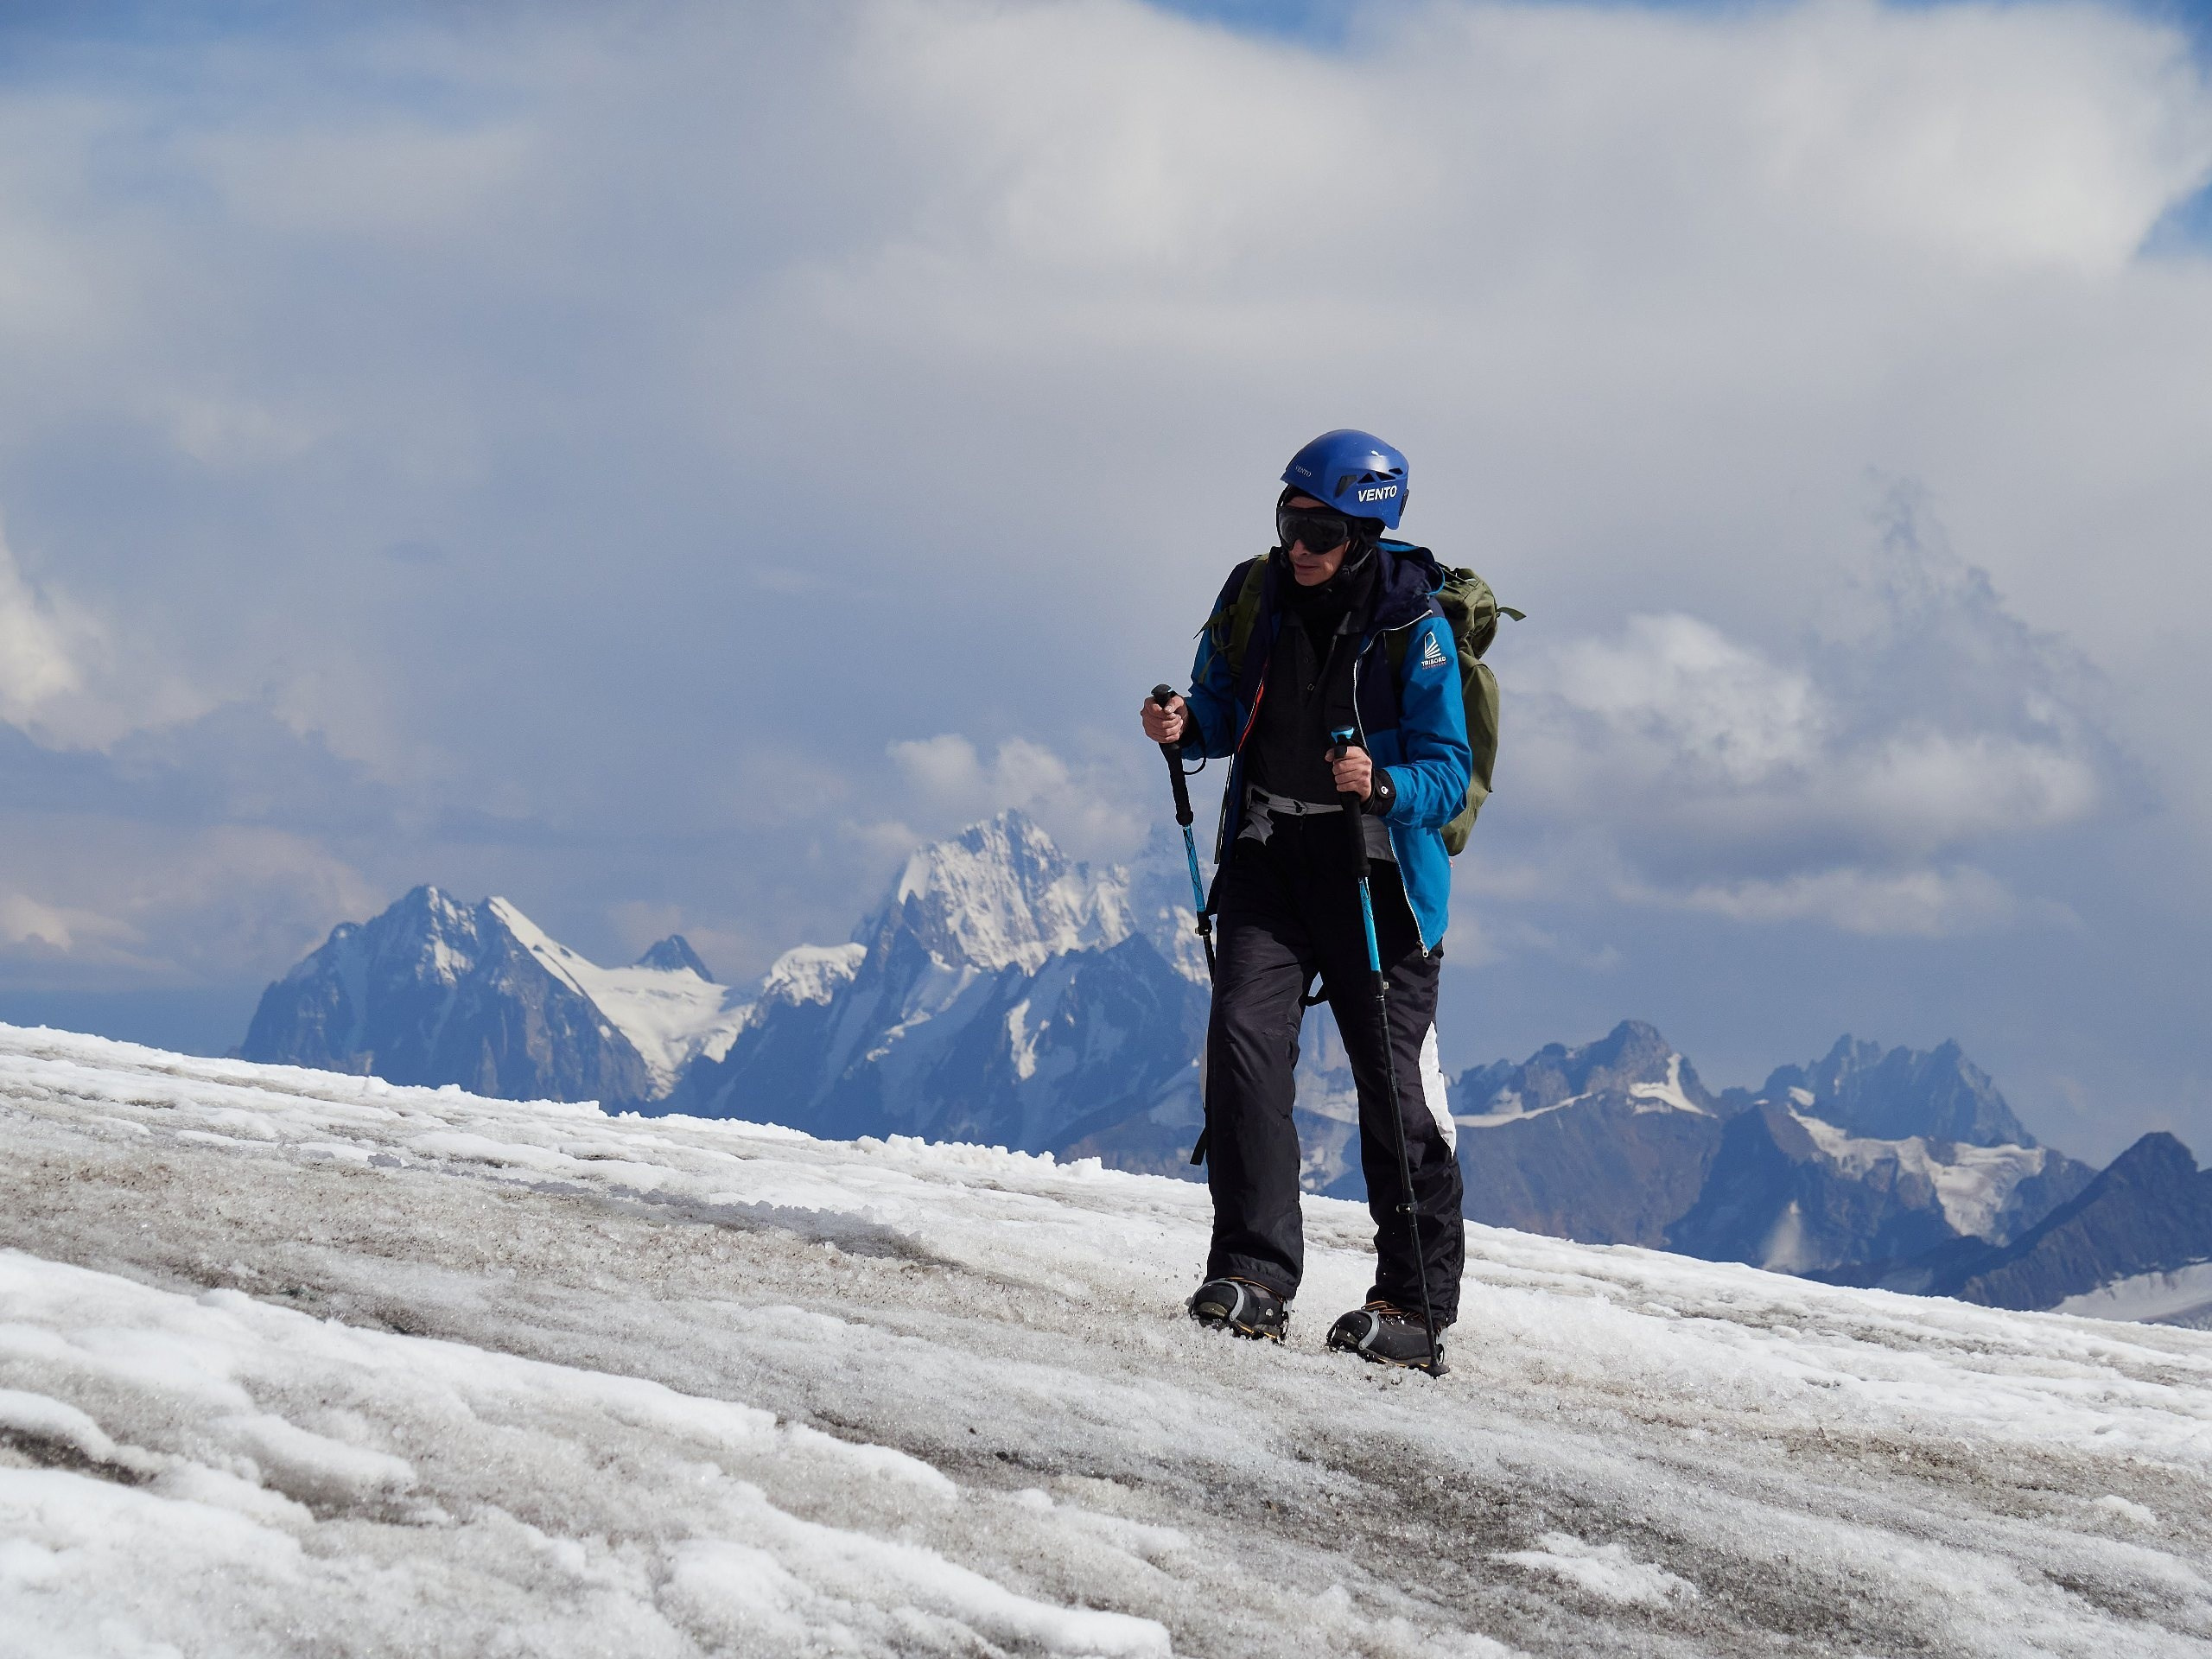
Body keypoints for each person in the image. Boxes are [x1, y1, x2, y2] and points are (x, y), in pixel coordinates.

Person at [1140, 429, 1471, 1370]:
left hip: (1377, 881)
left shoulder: (1417, 628)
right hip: (1269, 855)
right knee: (1243, 1046)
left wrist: (1386, 782)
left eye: (1320, 530)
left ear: (1365, 533)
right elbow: (1217, 704)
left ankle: (1411, 1307)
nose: (1299, 545)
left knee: (1391, 1088)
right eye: (1290, 521)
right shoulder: (1252, 595)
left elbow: (1451, 772)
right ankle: (1251, 1275)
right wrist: (1181, 724)